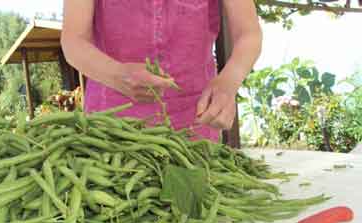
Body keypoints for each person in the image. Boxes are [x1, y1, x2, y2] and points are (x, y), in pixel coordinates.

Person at [61, 0, 262, 142]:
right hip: (112, 126)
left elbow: (248, 33)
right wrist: (117, 74)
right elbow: (73, 40)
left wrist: (228, 82)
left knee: (196, 197)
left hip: (195, 120)